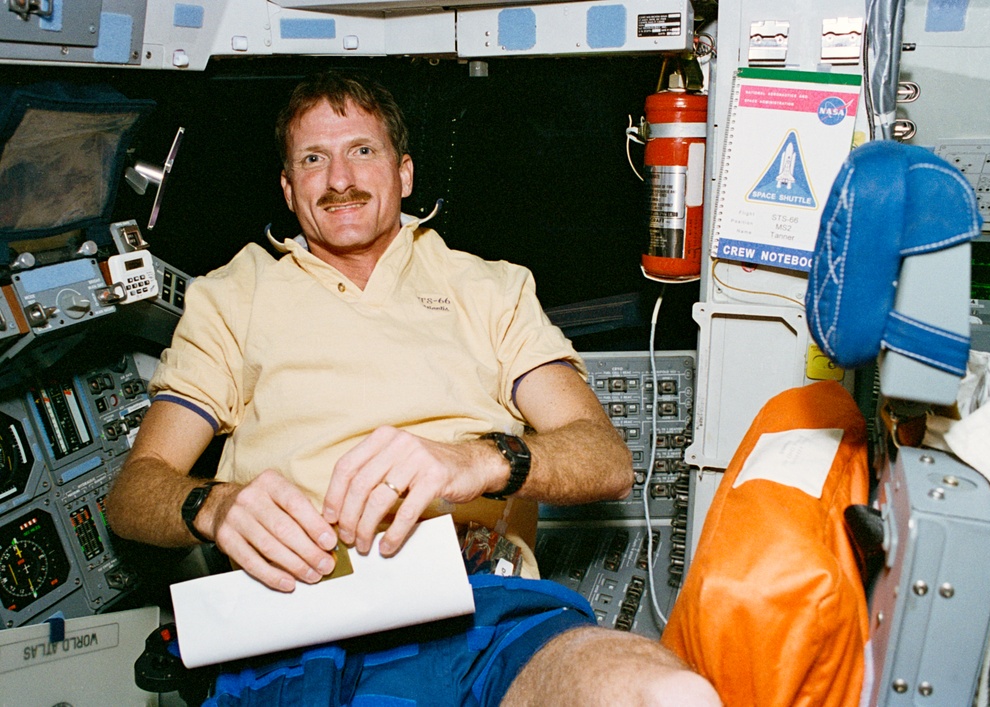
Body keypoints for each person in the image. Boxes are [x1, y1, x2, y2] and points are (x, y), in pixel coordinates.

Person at [106, 70, 720, 706]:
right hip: (291, 615)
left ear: (403, 173)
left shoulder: (490, 290)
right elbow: (133, 492)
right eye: (314, 159)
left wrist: (479, 460)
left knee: (668, 694)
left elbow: (605, 458)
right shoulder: (230, 297)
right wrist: (215, 505)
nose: (339, 179)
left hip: (474, 604)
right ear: (289, 190)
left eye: (362, 151)